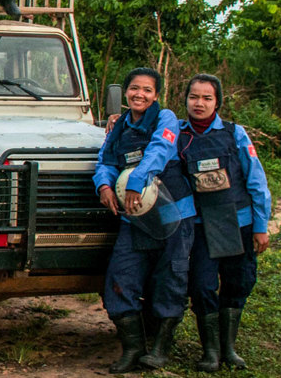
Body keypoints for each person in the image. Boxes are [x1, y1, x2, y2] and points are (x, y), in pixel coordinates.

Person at [93, 68, 196, 373]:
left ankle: (161, 349)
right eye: (134, 89)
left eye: (147, 90)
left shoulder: (165, 119)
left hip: (172, 212)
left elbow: (160, 150)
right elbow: (105, 160)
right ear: (125, 93)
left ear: (156, 95)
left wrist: (138, 178)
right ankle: (133, 350)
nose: (140, 94)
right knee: (119, 278)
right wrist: (104, 185)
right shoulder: (120, 126)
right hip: (134, 217)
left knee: (171, 278)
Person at [177, 73, 271, 372]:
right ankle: (210, 352)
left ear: (217, 101)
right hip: (203, 227)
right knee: (202, 285)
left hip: (239, 222)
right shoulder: (176, 134)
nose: (199, 103)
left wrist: (260, 225)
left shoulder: (234, 134)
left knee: (238, 282)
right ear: (186, 100)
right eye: (194, 97)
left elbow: (256, 181)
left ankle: (229, 349)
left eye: (207, 98)